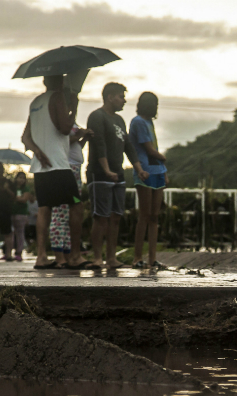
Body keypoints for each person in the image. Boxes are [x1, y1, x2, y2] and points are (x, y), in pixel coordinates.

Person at [22, 74, 93, 270]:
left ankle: (42, 256)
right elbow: (64, 128)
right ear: (61, 83)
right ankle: (75, 255)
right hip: (59, 166)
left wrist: (37, 152)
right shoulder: (57, 98)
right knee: (77, 205)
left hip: (40, 167)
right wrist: (74, 108)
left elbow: (25, 137)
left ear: (44, 81)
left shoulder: (36, 102)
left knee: (45, 209)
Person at [87, 83, 144, 269]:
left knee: (116, 216)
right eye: (121, 96)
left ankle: (111, 258)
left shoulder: (119, 120)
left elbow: (128, 145)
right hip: (100, 173)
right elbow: (99, 144)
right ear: (110, 97)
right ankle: (97, 258)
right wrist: (106, 170)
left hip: (118, 173)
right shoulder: (97, 116)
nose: (124, 100)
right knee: (100, 217)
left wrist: (138, 168)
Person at [129, 92, 166, 270]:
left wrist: (164, 169)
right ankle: (137, 257)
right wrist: (164, 157)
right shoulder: (138, 122)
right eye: (155, 104)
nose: (157, 108)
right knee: (144, 215)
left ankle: (152, 258)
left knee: (154, 216)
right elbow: (150, 150)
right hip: (145, 172)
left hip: (158, 171)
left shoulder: (150, 122)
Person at [57, 90, 89, 267]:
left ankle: (71, 253)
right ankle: (63, 253)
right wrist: (80, 135)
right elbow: (63, 142)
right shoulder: (63, 122)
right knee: (69, 207)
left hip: (77, 168)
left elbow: (76, 145)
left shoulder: (73, 123)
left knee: (76, 207)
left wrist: (84, 139)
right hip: (67, 168)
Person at [10, 172, 32, 262]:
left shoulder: (26, 188)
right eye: (19, 177)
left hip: (21, 213)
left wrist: (15, 197)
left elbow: (24, 199)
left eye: (23, 178)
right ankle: (8, 252)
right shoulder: (13, 188)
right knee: (10, 233)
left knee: (20, 233)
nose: (21, 180)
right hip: (11, 212)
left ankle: (19, 252)